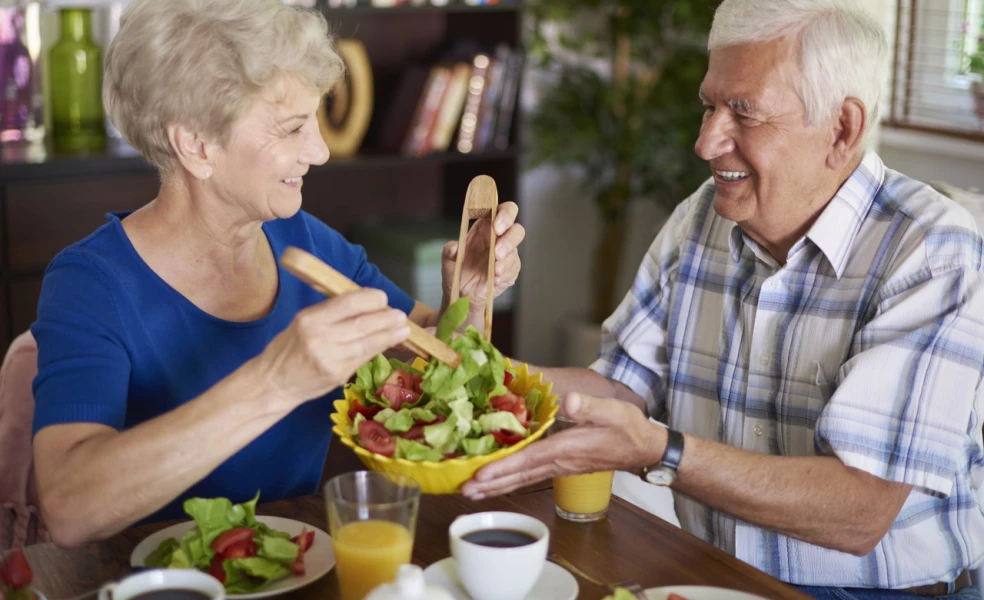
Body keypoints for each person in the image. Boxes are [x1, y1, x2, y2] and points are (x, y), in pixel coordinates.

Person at [463, 0, 984, 597]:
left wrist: (663, 451)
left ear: (842, 129)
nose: (706, 142)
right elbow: (616, 388)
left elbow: (860, 512)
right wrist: (466, 366)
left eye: (743, 111)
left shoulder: (932, 250)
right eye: (710, 105)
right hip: (712, 574)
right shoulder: (700, 220)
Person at [31, 0, 525, 548]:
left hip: (297, 564)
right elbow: (69, 508)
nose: (317, 150)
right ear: (196, 145)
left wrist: (470, 300)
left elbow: (435, 361)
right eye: (291, 128)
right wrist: (276, 381)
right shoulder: (91, 283)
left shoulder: (306, 241)